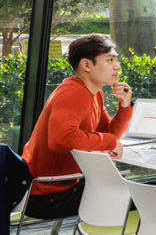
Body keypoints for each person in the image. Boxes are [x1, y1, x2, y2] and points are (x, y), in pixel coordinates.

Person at [21, 35, 135, 219]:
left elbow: (108, 135)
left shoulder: (94, 94)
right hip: (47, 195)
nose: (117, 65)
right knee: (139, 203)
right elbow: (60, 139)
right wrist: (109, 141)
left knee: (130, 196)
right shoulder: (73, 93)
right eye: (110, 60)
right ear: (87, 65)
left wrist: (124, 108)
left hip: (65, 187)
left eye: (116, 59)